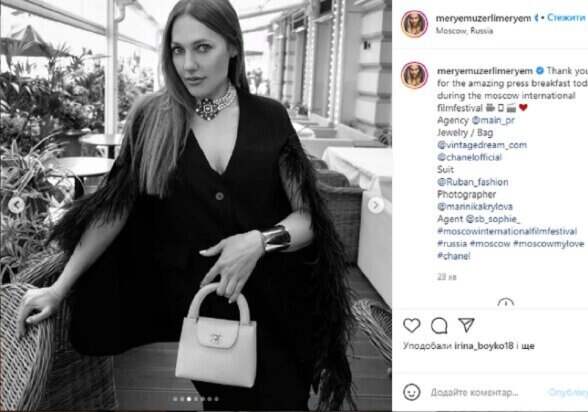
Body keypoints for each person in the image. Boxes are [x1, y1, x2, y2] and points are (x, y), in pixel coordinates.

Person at [15, 0, 354, 410]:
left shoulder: (270, 118)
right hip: (204, 308)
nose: (188, 65)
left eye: (203, 48)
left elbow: (309, 218)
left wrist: (259, 241)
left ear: (233, 46)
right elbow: (113, 208)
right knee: (223, 402)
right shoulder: (153, 119)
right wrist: (59, 288)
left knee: (285, 400)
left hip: (282, 302)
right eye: (178, 50)